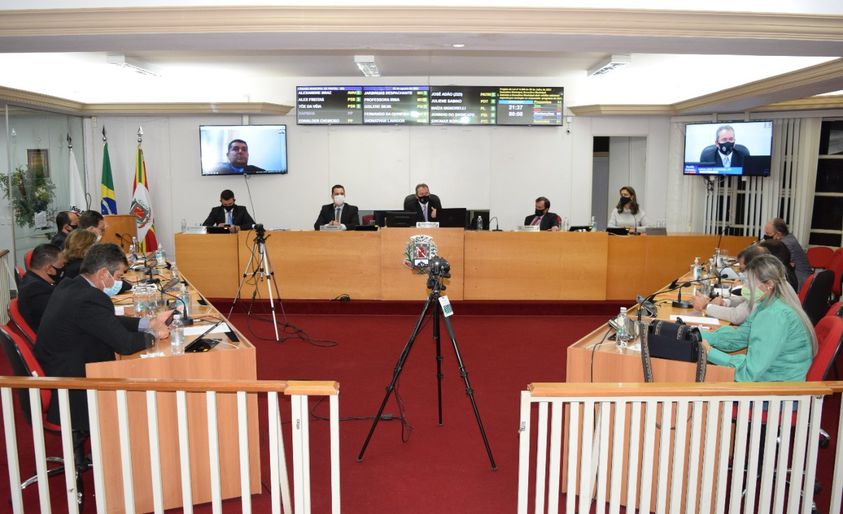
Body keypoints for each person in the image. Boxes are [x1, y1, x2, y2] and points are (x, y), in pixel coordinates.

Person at [35, 243, 171, 430]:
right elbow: (125, 344)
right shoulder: (90, 298)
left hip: (60, 366)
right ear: (103, 274)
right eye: (118, 277)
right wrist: (155, 334)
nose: (119, 281)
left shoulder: (71, 285)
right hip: (76, 383)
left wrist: (148, 323)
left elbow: (107, 320)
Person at [699, 254, 816, 382]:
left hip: (778, 394)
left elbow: (748, 373)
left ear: (768, 285)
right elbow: (740, 336)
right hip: (771, 384)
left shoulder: (774, 315)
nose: (745, 288)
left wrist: (710, 352)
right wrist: (698, 335)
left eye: (750, 283)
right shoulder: (766, 304)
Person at [692, 244, 766, 325]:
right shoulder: (762, 280)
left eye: (743, 269)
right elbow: (746, 300)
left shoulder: (765, 287)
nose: (742, 273)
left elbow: (737, 316)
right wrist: (725, 302)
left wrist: (705, 306)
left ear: (755, 267)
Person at [17, 244, 64, 331]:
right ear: (49, 269)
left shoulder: (32, 279)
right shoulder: (35, 290)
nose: (63, 269)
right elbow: (61, 315)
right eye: (61, 266)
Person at [763, 217, 811, 290]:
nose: (766, 237)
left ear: (778, 234)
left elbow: (776, 264)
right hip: (794, 276)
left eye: (768, 234)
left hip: (799, 280)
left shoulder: (786, 244)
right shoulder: (787, 238)